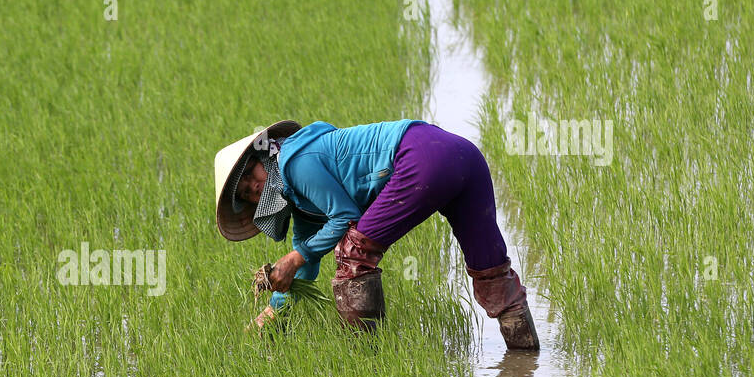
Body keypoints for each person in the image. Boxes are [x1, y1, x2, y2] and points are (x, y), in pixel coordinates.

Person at [213, 119, 539, 348]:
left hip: (419, 157)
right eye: (246, 194)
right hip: (462, 155)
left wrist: (295, 258)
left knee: (353, 255)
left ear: (262, 157)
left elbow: (343, 216)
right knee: (490, 269)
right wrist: (270, 314)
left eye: (251, 177)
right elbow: (307, 263)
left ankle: (368, 364)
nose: (254, 188)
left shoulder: (295, 161)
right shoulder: (302, 200)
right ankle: (523, 367)